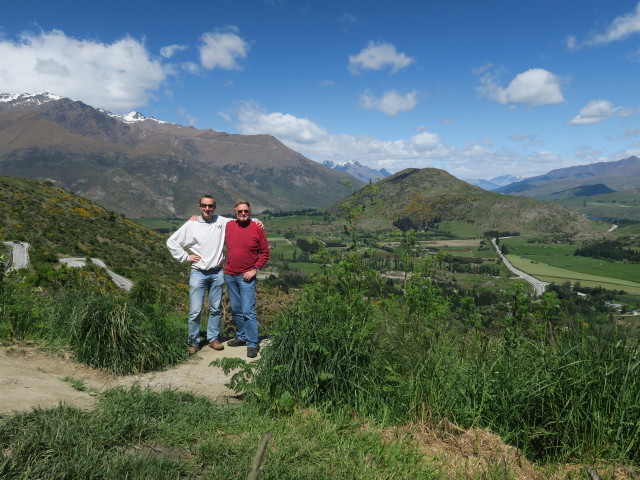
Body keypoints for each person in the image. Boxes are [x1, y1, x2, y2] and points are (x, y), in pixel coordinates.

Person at [166, 195, 231, 355]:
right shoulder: (191, 224)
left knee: (215, 309)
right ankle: (193, 342)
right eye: (204, 206)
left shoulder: (221, 222)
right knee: (195, 310)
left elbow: (241, 220)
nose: (207, 209)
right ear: (199, 206)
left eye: (210, 206)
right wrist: (185, 257)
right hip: (198, 273)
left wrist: (257, 220)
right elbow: (171, 242)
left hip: (217, 272)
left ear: (214, 207)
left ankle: (213, 339)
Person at [224, 201, 269, 358]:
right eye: (240, 211)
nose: (243, 213)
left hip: (246, 276)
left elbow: (264, 253)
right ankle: (242, 337)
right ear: (235, 212)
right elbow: (211, 221)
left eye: (246, 211)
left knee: (248, 310)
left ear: (250, 212)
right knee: (236, 308)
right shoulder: (229, 225)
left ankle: (252, 343)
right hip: (230, 274)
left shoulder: (257, 228)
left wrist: (255, 270)